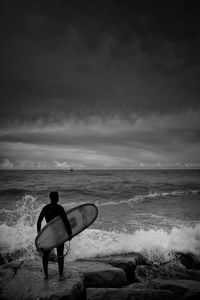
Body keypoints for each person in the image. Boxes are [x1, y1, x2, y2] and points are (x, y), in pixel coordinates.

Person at [37, 191, 72, 280]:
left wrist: (39, 235)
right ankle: (61, 275)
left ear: (50, 198)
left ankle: (46, 275)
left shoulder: (45, 208)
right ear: (57, 198)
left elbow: (39, 222)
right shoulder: (59, 208)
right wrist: (69, 233)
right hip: (59, 234)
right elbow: (66, 221)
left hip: (49, 234)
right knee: (60, 254)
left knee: (46, 255)